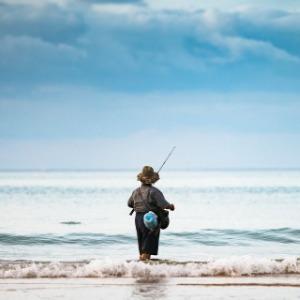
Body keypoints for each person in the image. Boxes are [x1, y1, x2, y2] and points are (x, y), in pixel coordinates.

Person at [128, 166, 175, 261]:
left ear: (141, 179)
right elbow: (163, 204)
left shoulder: (135, 191)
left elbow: (129, 204)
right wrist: (171, 206)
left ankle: (140, 269)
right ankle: (145, 269)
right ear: (153, 179)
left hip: (138, 219)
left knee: (142, 247)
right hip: (150, 218)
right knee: (148, 248)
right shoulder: (154, 191)